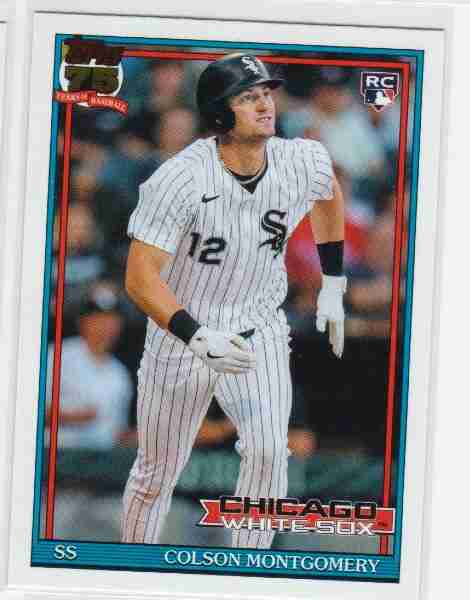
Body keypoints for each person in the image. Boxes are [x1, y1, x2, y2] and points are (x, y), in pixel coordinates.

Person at [121, 53, 346, 549]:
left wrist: (333, 283)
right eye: (248, 97)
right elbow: (139, 278)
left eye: (266, 93)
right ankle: (130, 566)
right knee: (156, 473)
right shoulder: (180, 178)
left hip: (258, 328)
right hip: (180, 336)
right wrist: (196, 335)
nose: (265, 104)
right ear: (220, 113)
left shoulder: (300, 159)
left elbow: (328, 193)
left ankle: (247, 568)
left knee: (269, 453)